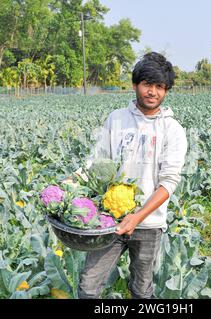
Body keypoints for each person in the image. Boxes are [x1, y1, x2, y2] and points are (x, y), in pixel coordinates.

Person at [76, 52, 188, 299]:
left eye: (160, 87)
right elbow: (97, 163)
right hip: (109, 221)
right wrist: (70, 183)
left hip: (149, 223)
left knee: (142, 288)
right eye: (148, 84)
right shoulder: (117, 119)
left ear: (166, 90)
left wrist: (137, 218)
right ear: (136, 84)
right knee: (88, 286)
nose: (153, 92)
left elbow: (169, 182)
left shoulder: (173, 130)